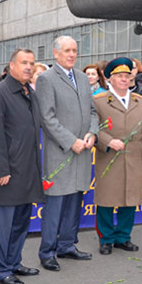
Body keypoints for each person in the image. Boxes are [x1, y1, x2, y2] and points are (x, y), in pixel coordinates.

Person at [0, 48, 44, 284]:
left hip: (27, 171)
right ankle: (0, 270)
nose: (28, 67)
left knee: (20, 223)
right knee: (2, 227)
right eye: (24, 63)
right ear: (12, 65)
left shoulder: (29, 92)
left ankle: (14, 261)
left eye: (32, 63)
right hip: (6, 174)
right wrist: (0, 170)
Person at [36, 35, 98, 271]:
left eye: (74, 50)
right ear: (55, 53)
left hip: (83, 151)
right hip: (60, 153)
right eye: (67, 50)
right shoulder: (46, 79)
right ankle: (48, 251)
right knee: (56, 205)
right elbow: (47, 118)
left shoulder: (82, 78)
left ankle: (67, 245)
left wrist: (92, 133)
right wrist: (70, 141)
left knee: (75, 201)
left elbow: (93, 111)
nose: (72, 54)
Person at [93, 57, 142, 255]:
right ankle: (106, 239)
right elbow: (92, 128)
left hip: (134, 157)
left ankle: (123, 237)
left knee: (130, 199)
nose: (124, 79)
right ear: (110, 79)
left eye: (127, 76)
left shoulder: (140, 101)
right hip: (109, 156)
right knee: (107, 200)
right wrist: (108, 140)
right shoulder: (99, 101)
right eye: (119, 76)